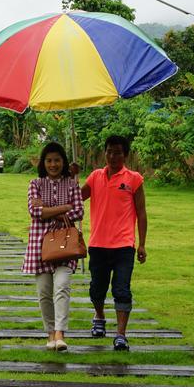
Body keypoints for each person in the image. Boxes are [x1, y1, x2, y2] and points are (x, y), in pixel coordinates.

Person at [81, 135, 147, 351]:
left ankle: (121, 334)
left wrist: (142, 244)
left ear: (125, 155)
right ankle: (99, 317)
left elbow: (141, 212)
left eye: (118, 152)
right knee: (96, 289)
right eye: (109, 151)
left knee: (122, 289)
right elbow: (77, 197)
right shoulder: (94, 177)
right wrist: (71, 177)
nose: (113, 156)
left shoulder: (134, 179)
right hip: (98, 244)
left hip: (124, 245)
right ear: (105, 152)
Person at [25, 141, 84, 351]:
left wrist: (49, 208)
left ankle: (60, 334)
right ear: (43, 162)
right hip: (40, 247)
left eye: (57, 160)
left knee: (62, 287)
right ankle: (50, 333)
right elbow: (36, 212)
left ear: (63, 161)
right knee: (44, 292)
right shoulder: (35, 184)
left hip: (66, 245)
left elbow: (78, 212)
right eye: (49, 160)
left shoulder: (73, 184)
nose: (53, 164)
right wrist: (64, 208)